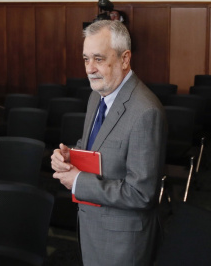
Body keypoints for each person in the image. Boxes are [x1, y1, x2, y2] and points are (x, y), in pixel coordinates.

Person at [51, 20, 166, 266]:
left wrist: (78, 181)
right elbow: (95, 145)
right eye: (85, 59)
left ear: (125, 59)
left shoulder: (146, 112)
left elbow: (141, 194)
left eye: (99, 59)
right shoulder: (97, 94)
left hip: (122, 242)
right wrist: (69, 155)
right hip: (93, 227)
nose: (89, 69)